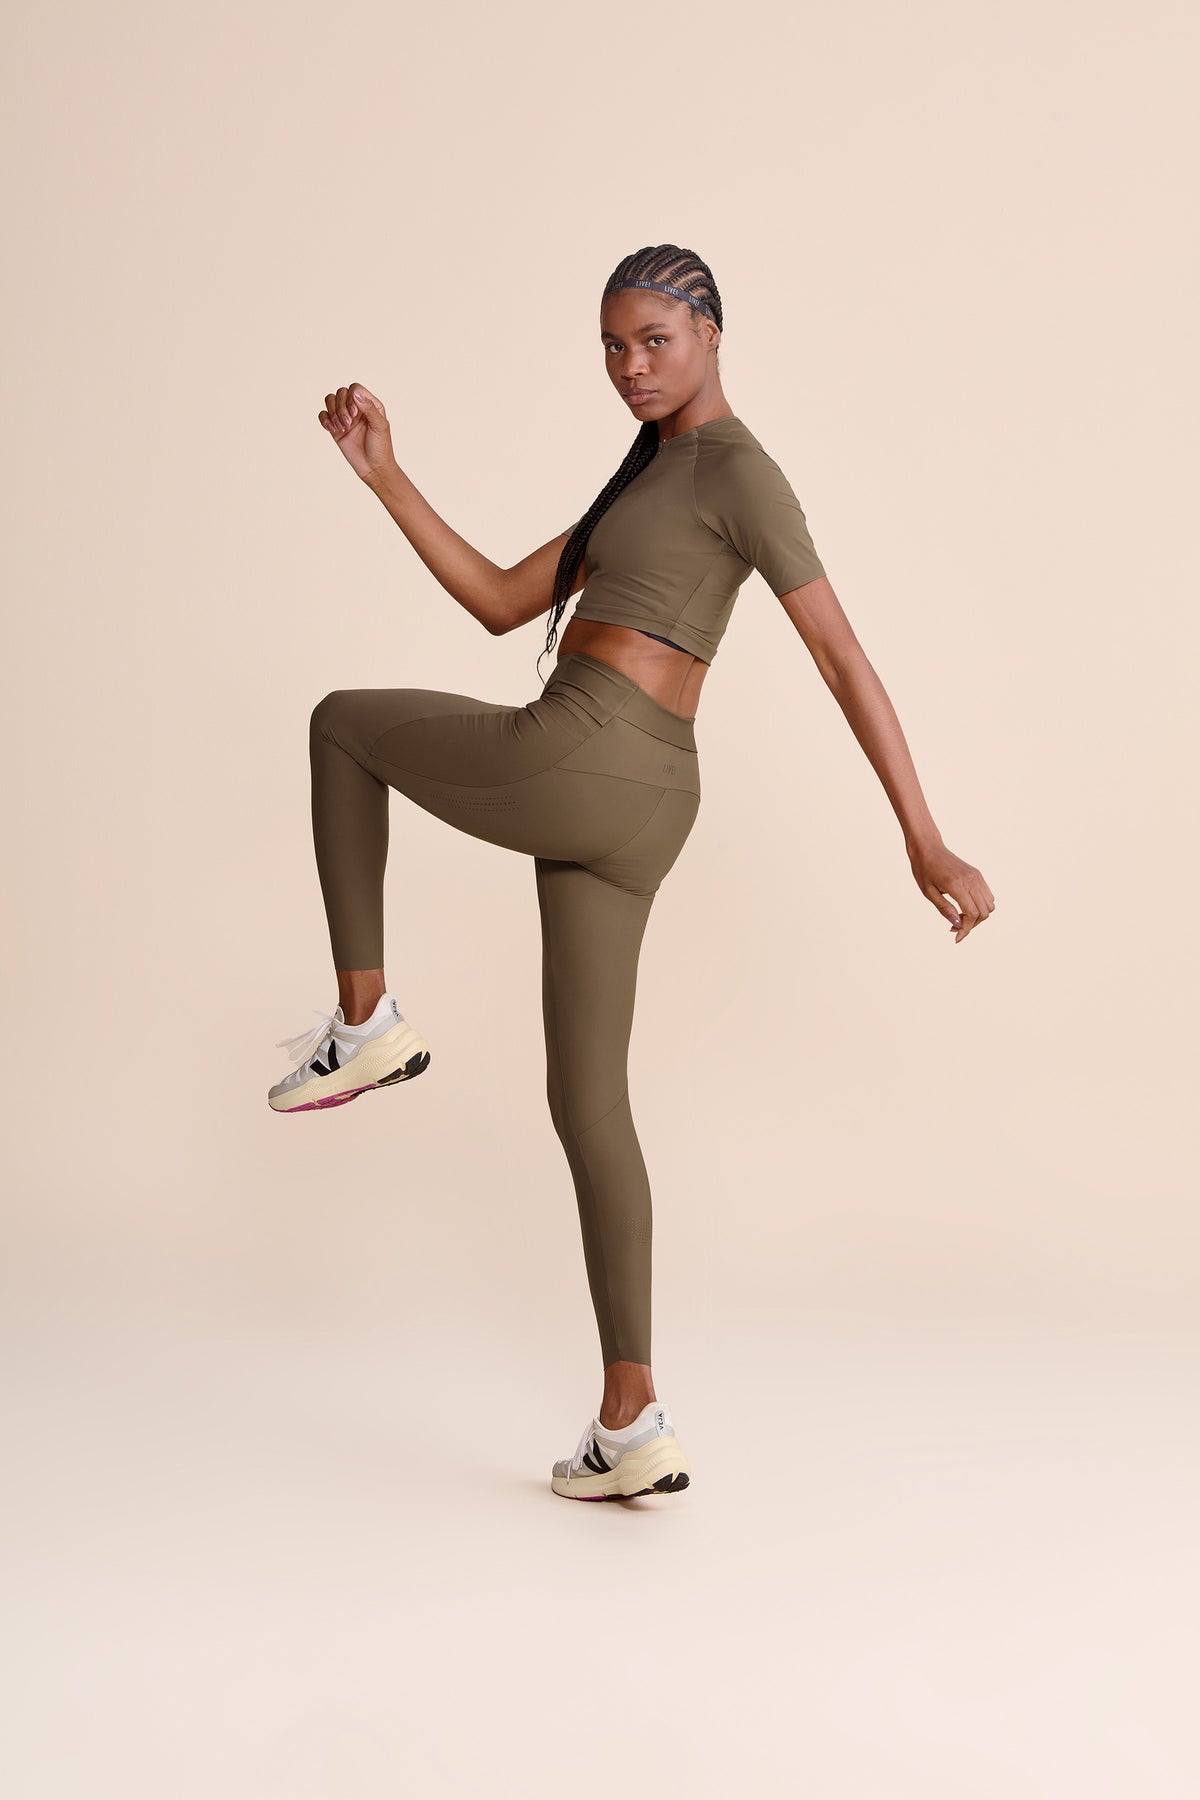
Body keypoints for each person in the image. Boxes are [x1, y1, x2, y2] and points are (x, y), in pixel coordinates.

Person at [268, 243, 995, 1501]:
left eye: (655, 339)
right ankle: (630, 1417)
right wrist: (386, 476)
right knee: (589, 1101)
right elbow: (502, 600)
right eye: (613, 345)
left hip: (595, 750)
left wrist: (920, 835)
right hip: (642, 795)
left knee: (341, 723)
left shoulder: (741, 471)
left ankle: (364, 1016)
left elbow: (840, 653)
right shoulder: (646, 477)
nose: (631, 366)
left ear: (712, 332)